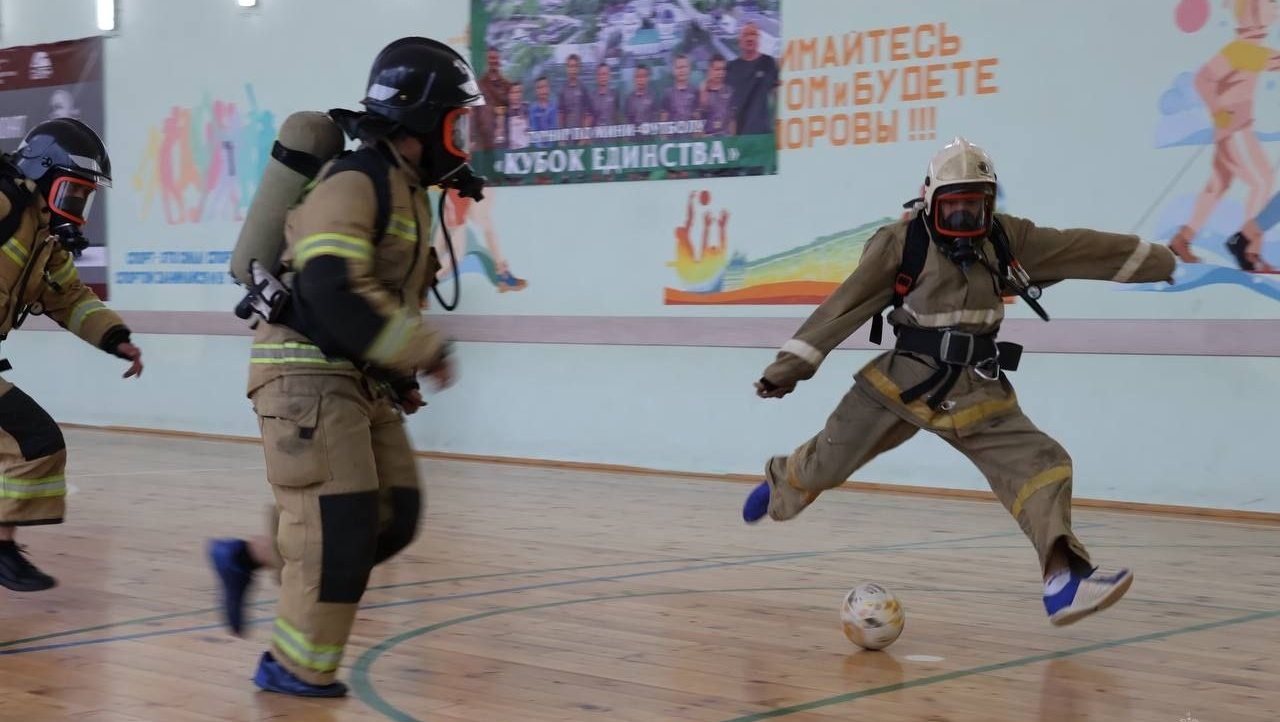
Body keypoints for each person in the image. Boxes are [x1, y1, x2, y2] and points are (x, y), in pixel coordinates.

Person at [741, 136, 1177, 627]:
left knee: (1045, 463)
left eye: (977, 208)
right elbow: (842, 308)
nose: (967, 221)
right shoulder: (898, 244)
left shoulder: (1007, 239)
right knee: (826, 466)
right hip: (899, 384)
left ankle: (1063, 583)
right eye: (955, 209)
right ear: (930, 201)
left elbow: (1080, 248)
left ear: (991, 205)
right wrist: (787, 370)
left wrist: (1158, 260)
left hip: (977, 391)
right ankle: (783, 481)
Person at [205, 36, 484, 697]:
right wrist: (422, 351)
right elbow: (330, 287)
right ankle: (293, 668)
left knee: (393, 514)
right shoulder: (355, 179)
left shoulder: (406, 190)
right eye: (455, 121)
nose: (462, 137)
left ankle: (248, 556)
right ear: (417, 121)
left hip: (354, 373)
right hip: (304, 371)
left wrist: (400, 374)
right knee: (342, 526)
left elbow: (383, 293)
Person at [0, 118, 144, 592]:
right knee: (33, 438)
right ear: (41, 173)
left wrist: (114, 337)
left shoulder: (45, 243)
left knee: (30, 442)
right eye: (73, 192)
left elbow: (71, 299)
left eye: (85, 196)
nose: (79, 206)